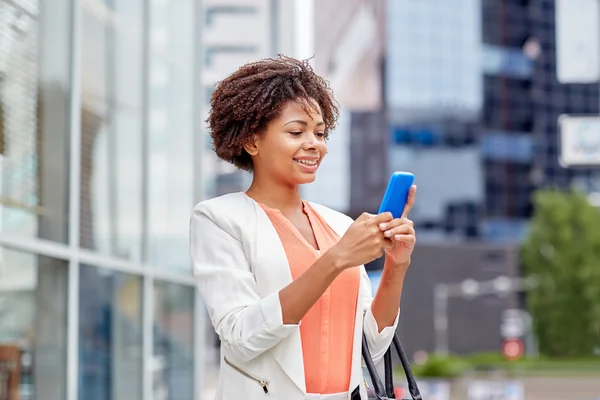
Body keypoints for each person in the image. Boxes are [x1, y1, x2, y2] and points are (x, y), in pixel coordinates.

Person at [190, 56, 417, 400]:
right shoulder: (219, 219)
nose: (314, 144)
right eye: (296, 132)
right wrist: (335, 259)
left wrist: (396, 267)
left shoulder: (340, 225)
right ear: (252, 141)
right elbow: (240, 337)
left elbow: (371, 343)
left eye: (320, 133)